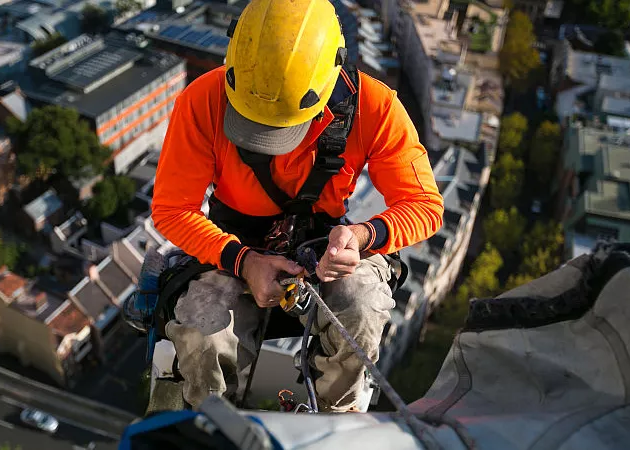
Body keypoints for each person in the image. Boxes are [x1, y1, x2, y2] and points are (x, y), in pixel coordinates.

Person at [151, 0, 444, 412]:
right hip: (233, 248)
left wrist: (362, 236)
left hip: (326, 247)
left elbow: (425, 205)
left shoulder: (373, 108)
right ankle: (212, 422)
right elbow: (171, 208)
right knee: (203, 334)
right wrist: (244, 261)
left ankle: (333, 416)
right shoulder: (202, 101)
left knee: (361, 312)